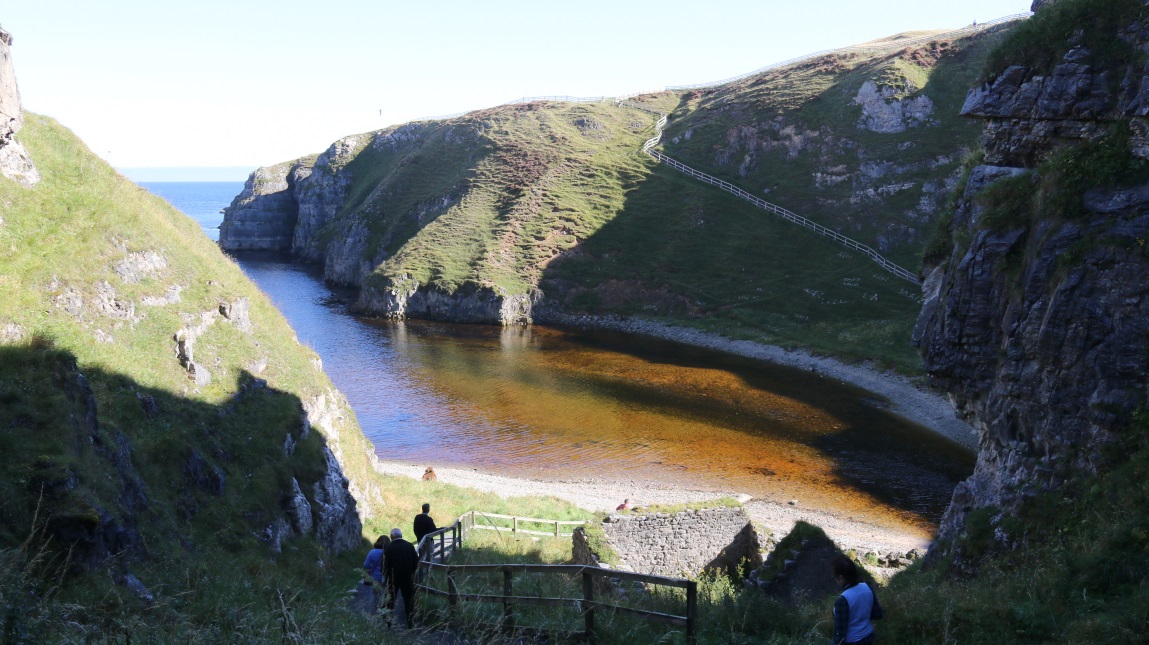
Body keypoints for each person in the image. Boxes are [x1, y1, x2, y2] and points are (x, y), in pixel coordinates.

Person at [830, 554, 883, 645]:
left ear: (841, 578)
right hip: (869, 637)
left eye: (835, 577)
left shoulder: (842, 600)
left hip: (852, 641)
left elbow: (840, 635)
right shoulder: (867, 587)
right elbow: (878, 614)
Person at [384, 528, 419, 628]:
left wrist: (386, 576)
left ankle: (388, 622)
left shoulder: (389, 547)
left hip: (393, 578)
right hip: (407, 577)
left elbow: (385, 564)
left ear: (391, 536)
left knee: (390, 600)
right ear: (401, 535)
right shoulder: (409, 545)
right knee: (408, 600)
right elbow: (416, 562)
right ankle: (410, 622)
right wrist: (411, 572)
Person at [362, 534, 390, 608]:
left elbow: (366, 565)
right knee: (387, 595)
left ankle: (376, 611)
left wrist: (373, 566)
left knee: (376, 596)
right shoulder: (390, 552)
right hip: (387, 577)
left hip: (375, 577)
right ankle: (385, 610)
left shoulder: (372, 552)